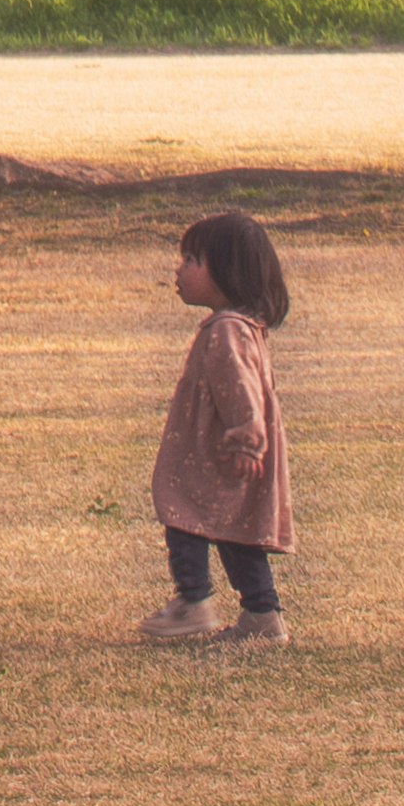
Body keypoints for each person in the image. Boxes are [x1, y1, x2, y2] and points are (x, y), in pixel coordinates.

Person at [142, 208, 293, 646]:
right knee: (236, 532)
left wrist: (246, 440)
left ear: (227, 271)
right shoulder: (241, 327)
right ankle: (262, 615)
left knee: (182, 512)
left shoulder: (227, 330)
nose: (179, 270)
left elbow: (242, 389)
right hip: (227, 453)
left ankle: (193, 602)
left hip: (223, 455)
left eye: (191, 261)